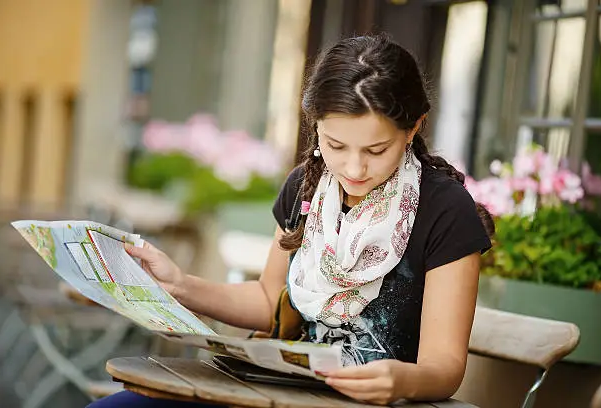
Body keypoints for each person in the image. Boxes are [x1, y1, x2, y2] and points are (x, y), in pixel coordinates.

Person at [88, 34, 493, 407]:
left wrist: (403, 381)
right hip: (273, 391)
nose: (353, 167)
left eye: (376, 149)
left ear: (414, 128)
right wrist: (180, 285)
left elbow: (444, 367)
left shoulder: (443, 209)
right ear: (314, 124)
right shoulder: (306, 186)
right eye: (335, 145)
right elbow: (269, 301)